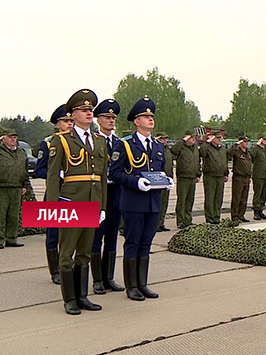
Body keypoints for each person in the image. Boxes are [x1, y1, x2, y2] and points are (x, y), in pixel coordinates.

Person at [46, 89, 107, 315]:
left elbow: (102, 177)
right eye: (83, 110)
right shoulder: (61, 140)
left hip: (93, 201)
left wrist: (102, 206)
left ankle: (82, 296)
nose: (89, 113)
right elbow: (53, 177)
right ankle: (69, 299)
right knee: (67, 252)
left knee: (85, 251)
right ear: (73, 115)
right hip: (71, 201)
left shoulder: (99, 141)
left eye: (90, 109)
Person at [109, 96, 173, 302]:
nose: (150, 119)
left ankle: (142, 283)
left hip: (154, 201)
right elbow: (115, 173)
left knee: (147, 242)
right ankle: (132, 286)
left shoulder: (157, 145)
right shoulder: (125, 144)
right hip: (134, 201)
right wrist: (135, 182)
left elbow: (159, 171)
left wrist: (166, 181)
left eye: (151, 116)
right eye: (145, 116)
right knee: (133, 241)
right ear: (136, 121)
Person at [34, 104, 74, 285]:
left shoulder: (78, 142)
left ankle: (68, 265)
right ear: (58, 124)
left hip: (74, 194)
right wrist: (57, 173)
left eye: (71, 121)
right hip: (55, 194)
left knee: (73, 233)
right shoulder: (48, 143)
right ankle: (55, 270)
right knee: (53, 234)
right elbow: (39, 170)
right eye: (66, 121)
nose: (69, 124)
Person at [90, 98, 125, 295]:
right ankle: (97, 280)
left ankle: (108, 276)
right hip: (97, 193)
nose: (111, 120)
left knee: (112, 234)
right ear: (99, 119)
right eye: (106, 117)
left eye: (113, 117)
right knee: (96, 236)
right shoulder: (92, 140)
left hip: (115, 193)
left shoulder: (119, 143)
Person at [0, 127, 32, 250]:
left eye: (15, 137)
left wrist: (25, 185)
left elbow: (24, 171)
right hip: (2, 187)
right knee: (1, 215)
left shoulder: (21, 152)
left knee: (14, 216)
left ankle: (11, 238)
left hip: (17, 187)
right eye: (10, 137)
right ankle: (0, 239)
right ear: (3, 139)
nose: (13, 139)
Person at [171, 130, 201, 229]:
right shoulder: (181, 147)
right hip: (183, 177)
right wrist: (183, 141)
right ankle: (180, 220)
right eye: (191, 138)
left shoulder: (195, 148)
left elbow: (197, 162)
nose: (193, 140)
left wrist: (198, 174)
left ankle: (188, 220)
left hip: (192, 177)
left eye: (194, 138)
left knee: (190, 200)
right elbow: (173, 150)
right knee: (182, 200)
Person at [199, 131, 228, 224]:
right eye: (217, 138)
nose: (219, 140)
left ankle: (216, 217)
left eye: (220, 138)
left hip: (220, 176)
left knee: (218, 198)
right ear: (212, 138)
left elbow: (224, 162)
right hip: (210, 176)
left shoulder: (222, 149)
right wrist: (207, 142)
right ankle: (210, 218)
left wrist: (226, 173)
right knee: (210, 198)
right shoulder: (207, 147)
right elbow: (202, 153)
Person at [227, 135, 253, 225]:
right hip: (238, 177)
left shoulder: (248, 153)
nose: (247, 143)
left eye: (247, 142)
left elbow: (249, 165)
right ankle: (234, 216)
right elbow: (229, 153)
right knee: (236, 198)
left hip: (246, 178)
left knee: (244, 198)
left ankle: (241, 215)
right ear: (241, 143)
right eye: (245, 142)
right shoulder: (237, 151)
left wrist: (250, 176)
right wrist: (236, 144)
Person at [250, 134, 266, 220]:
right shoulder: (256, 150)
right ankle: (256, 211)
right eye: (264, 139)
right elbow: (251, 156)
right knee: (258, 194)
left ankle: (261, 210)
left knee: (264, 194)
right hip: (258, 175)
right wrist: (257, 145)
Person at [155, 133, 173, 232]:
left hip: (166, 179)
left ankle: (161, 223)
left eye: (165, 139)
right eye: (162, 139)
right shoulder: (155, 148)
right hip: (158, 179)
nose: (165, 141)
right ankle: (156, 224)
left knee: (164, 203)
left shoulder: (168, 150)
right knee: (158, 202)